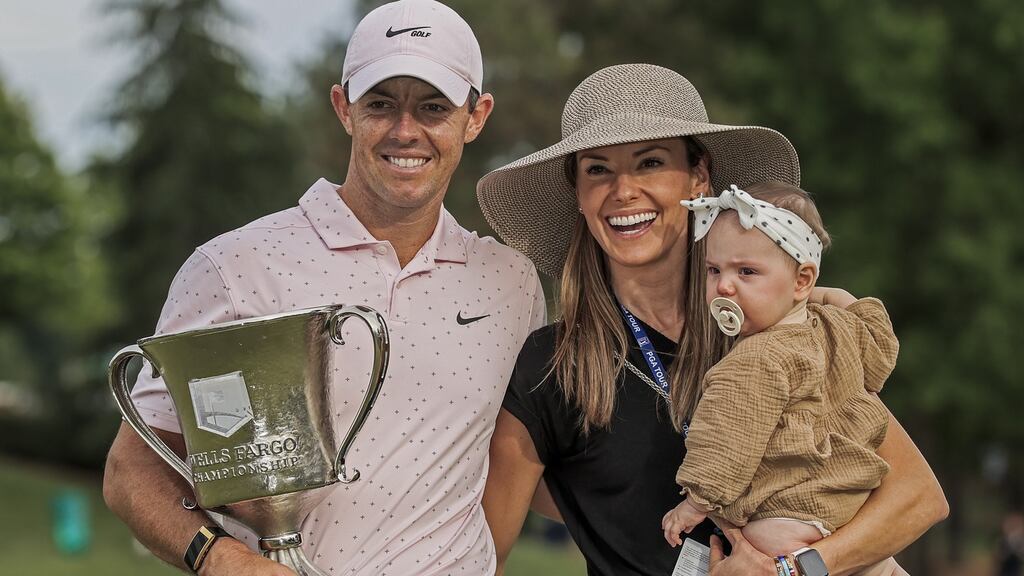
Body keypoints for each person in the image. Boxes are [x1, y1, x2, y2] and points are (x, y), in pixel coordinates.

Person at [102, 1, 546, 575]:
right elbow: (130, 470)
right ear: (343, 108)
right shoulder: (235, 265)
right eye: (381, 105)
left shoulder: (511, 282)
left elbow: (518, 464)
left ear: (476, 116)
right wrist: (220, 560)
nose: (406, 131)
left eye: (433, 107)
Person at [477, 64, 948, 576]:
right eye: (598, 169)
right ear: (579, 195)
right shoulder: (549, 368)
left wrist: (793, 571)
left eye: (650, 162)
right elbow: (486, 554)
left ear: (699, 177)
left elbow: (918, 498)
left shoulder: (779, 325)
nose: (624, 190)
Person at [662, 182, 903, 576]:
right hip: (850, 514)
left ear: (802, 281)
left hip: (783, 522)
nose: (724, 286)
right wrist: (838, 297)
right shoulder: (836, 328)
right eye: (714, 270)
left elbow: (726, 437)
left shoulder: (753, 357)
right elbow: (881, 357)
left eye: (747, 271)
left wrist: (695, 503)